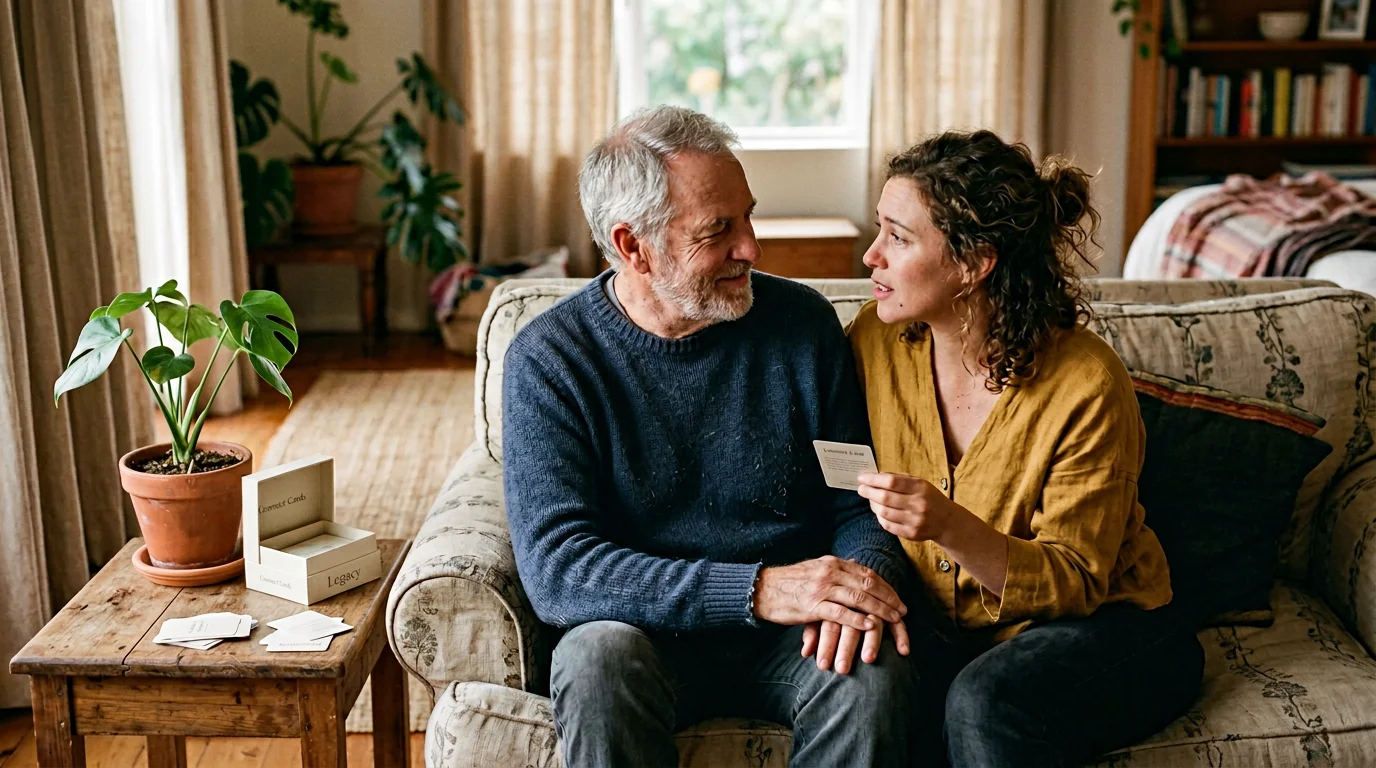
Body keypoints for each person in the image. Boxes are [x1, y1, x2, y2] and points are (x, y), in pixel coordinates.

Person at [501, 105, 918, 768]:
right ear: (634, 247)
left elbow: (859, 503)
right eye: (718, 230)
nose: (751, 247)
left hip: (795, 636)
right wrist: (756, 589)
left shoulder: (802, 327)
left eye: (748, 217)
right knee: (594, 657)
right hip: (644, 634)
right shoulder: (552, 361)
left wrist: (857, 587)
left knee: (870, 669)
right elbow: (561, 569)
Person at [846, 130, 1205, 766]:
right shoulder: (875, 341)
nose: (871, 255)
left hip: (1108, 628)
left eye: (898, 238)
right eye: (880, 229)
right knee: (872, 684)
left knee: (983, 702)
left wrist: (948, 525)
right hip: (949, 628)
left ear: (974, 263)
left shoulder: (1086, 383)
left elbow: (1077, 580)